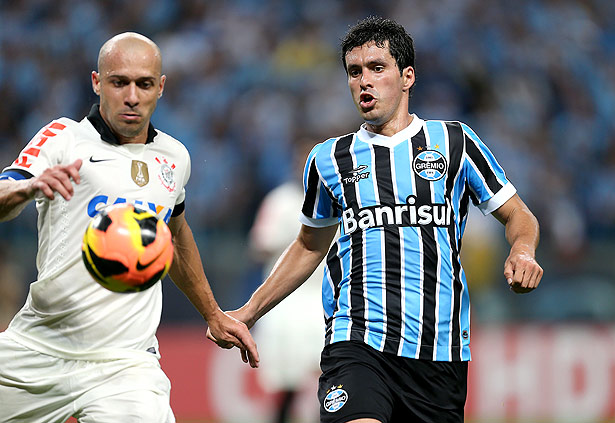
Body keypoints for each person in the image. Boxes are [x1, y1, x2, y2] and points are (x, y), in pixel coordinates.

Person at [228, 17, 543, 423]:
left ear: (406, 76)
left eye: (377, 68)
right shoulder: (329, 159)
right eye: (354, 72)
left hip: (438, 351)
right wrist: (249, 311)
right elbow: (309, 245)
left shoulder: (454, 142)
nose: (364, 81)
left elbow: (518, 213)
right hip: (356, 341)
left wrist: (522, 249)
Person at [0, 32, 258, 423]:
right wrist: (27, 188)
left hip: (125, 364)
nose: (132, 96)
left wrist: (212, 313)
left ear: (161, 87)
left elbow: (174, 232)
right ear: (97, 82)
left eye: (144, 84)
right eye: (120, 82)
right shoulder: (64, 138)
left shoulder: (174, 157)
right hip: (38, 348)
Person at [248, 141, 325, 423]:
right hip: (287, 302)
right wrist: (297, 243)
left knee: (332, 379)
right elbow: (259, 246)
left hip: (325, 299)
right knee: (288, 384)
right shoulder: (281, 201)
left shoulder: (337, 199)